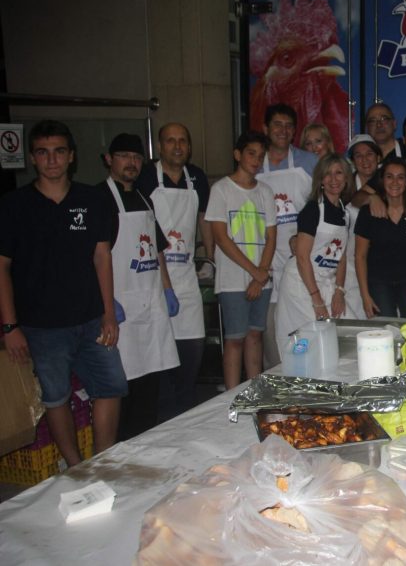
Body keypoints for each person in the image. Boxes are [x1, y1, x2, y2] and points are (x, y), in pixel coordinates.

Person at [0, 120, 125, 465]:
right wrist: (10, 327)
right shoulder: (13, 205)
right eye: (43, 152)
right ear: (32, 158)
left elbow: (102, 257)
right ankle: (75, 467)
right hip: (42, 325)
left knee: (112, 385)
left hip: (91, 318)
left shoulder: (92, 199)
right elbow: (2, 267)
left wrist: (108, 313)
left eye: (58, 151)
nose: (51, 159)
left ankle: (102, 462)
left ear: (71, 156)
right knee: (56, 397)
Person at [100, 133, 178, 439]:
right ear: (109, 159)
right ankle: (122, 448)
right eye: (123, 156)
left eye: (135, 157)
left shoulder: (145, 198)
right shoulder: (99, 198)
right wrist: (105, 301)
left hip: (151, 300)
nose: (130, 163)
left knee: (150, 383)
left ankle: (146, 444)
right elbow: (94, 256)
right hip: (121, 307)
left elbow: (157, 249)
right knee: (123, 386)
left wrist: (167, 289)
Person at [136, 122, 211, 419]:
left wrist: (210, 259)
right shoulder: (145, 177)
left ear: (189, 147)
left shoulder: (197, 178)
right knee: (161, 362)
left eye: (182, 141)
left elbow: (204, 220)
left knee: (192, 354)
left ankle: (186, 420)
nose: (177, 146)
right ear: (159, 146)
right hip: (153, 279)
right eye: (170, 141)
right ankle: (164, 423)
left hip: (188, 278)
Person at [205, 132, 277, 389]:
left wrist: (261, 274)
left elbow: (271, 236)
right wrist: (254, 272)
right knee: (235, 338)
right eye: (251, 153)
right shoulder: (221, 189)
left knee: (255, 336)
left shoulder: (265, 191)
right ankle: (232, 395)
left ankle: (255, 391)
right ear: (237, 155)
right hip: (233, 278)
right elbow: (221, 237)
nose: (256, 160)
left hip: (261, 277)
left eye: (260, 155)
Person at [258, 103, 317, 370]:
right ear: (265, 128)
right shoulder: (254, 163)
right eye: (277, 125)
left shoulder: (309, 162)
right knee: (272, 338)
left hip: (302, 261)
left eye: (289, 126)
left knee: (305, 335)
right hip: (266, 261)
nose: (283, 130)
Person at [276, 154, 357, 346]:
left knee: (350, 331)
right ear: (320, 180)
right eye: (327, 174)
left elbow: (341, 257)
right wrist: (317, 300)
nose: (333, 179)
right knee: (312, 343)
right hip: (302, 285)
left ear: (346, 178)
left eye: (339, 173)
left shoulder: (345, 214)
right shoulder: (312, 210)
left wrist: (339, 291)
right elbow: (302, 258)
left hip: (327, 283)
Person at [354, 159, 406, 318]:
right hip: (378, 282)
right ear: (382, 180)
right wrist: (365, 296)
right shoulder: (368, 212)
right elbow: (360, 256)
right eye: (389, 176)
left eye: (400, 177)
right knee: (385, 328)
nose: (395, 182)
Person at [342, 135, 384, 319]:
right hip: (351, 267)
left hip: (382, 267)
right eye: (358, 155)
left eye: (369, 154)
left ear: (378, 157)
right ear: (352, 161)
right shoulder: (343, 188)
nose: (364, 160)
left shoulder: (390, 184)